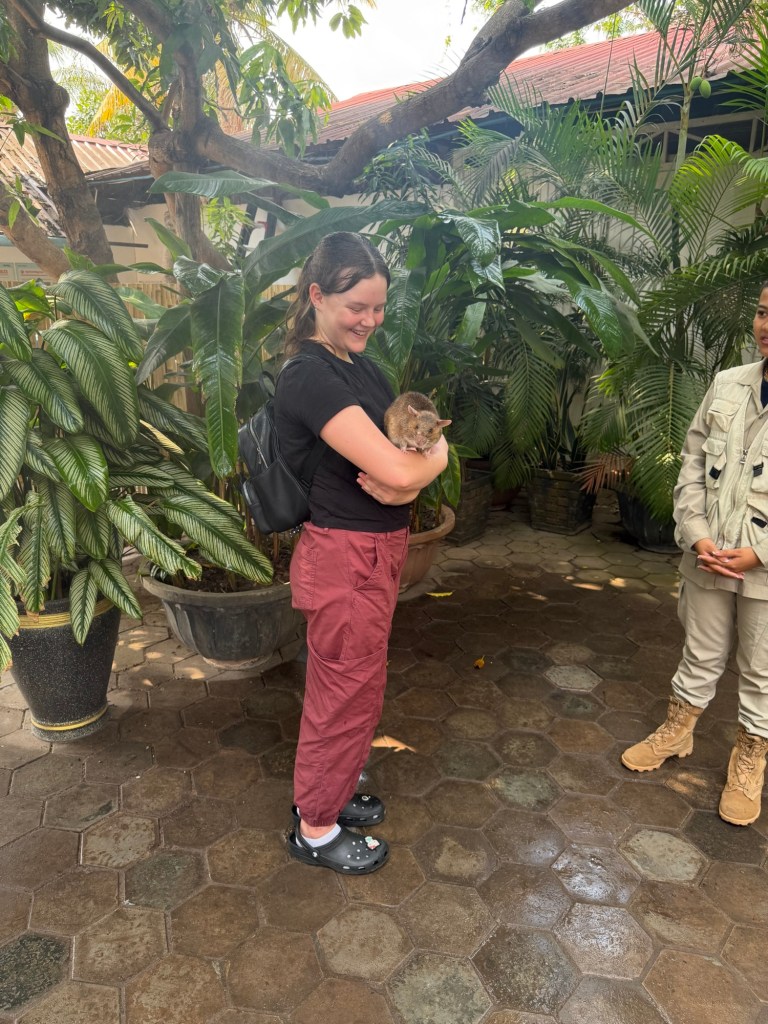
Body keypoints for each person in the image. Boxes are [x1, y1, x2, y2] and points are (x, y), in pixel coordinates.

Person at [273, 232, 449, 872]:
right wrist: (415, 471)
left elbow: (430, 441)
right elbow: (400, 470)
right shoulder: (310, 377)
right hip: (346, 558)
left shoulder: (363, 369)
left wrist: (421, 466)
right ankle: (316, 827)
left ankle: (333, 791)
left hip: (376, 555)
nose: (371, 321)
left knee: (360, 685)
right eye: (357, 307)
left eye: (378, 308)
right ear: (317, 296)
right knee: (343, 690)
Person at [622, 283, 768, 826]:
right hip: (708, 555)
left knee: (761, 670)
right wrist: (696, 533)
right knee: (700, 652)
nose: (764, 325)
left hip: (764, 569)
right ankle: (678, 731)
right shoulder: (727, 384)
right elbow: (689, 462)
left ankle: (750, 761)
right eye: (761, 312)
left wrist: (758, 552)